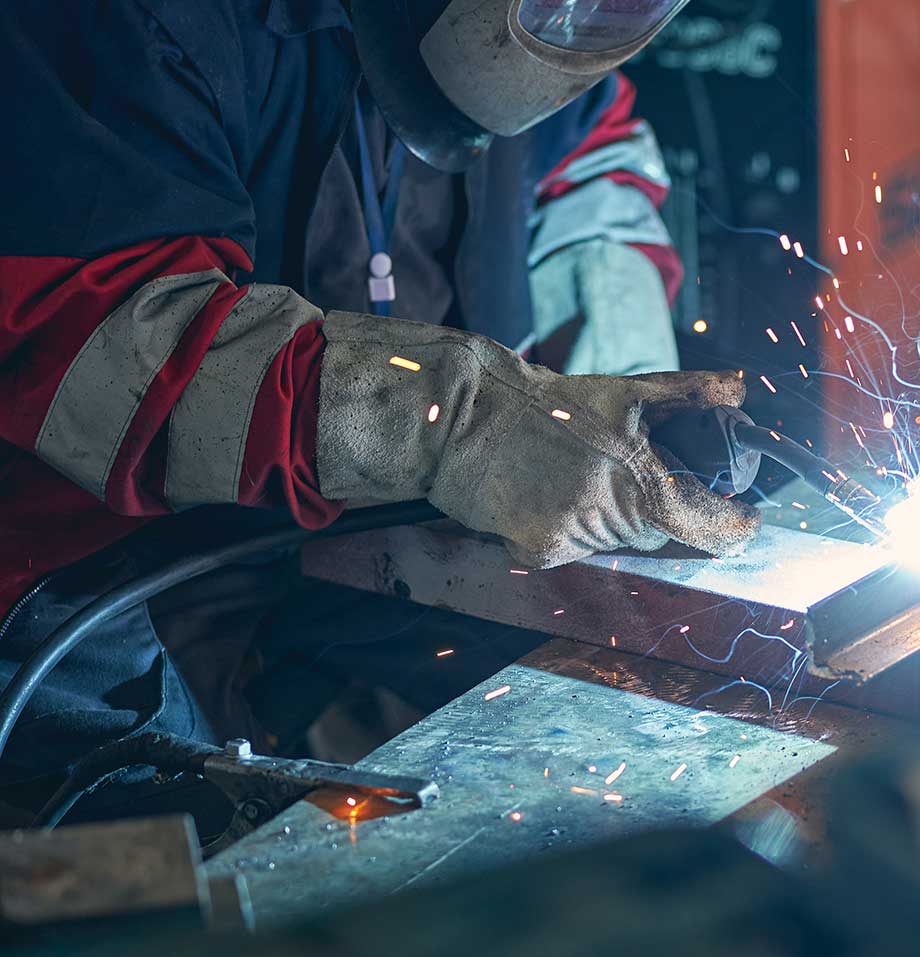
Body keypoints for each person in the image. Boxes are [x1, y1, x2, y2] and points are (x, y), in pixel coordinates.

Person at [0, 0, 764, 821]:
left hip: (354, 552)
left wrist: (604, 276)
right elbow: (99, 340)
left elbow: (587, 145)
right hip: (83, 576)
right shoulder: (136, 24)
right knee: (193, 873)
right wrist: (453, 422)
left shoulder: (553, 26)